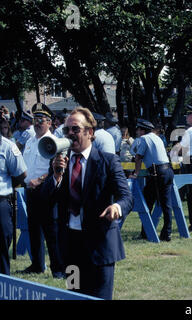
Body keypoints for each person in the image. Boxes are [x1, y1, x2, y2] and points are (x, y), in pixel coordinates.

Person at [40, 107, 133, 300]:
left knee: (99, 297)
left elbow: (126, 197)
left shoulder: (108, 161)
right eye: (66, 131)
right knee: (73, 295)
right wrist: (56, 176)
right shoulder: (62, 163)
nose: (70, 134)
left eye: (75, 129)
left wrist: (117, 207)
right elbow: (47, 199)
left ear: (90, 132)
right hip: (71, 247)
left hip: (100, 247)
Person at [21, 103, 65, 279]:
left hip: (46, 191)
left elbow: (56, 169)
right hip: (30, 191)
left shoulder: (53, 142)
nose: (37, 123)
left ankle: (58, 269)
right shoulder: (31, 141)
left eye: (41, 120)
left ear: (49, 122)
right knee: (33, 229)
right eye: (35, 119)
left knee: (51, 231)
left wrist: (38, 180)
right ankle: (38, 264)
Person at [130, 120, 174, 242]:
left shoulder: (144, 139)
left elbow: (138, 156)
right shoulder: (157, 138)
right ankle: (167, 233)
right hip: (167, 170)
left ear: (143, 130)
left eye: (138, 130)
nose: (137, 132)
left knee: (147, 202)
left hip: (156, 173)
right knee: (166, 204)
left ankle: (146, 232)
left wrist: (136, 173)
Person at [0, 134, 27, 275]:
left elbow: (21, 174)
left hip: (1, 201)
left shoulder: (8, 146)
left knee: (2, 245)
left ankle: (3, 283)